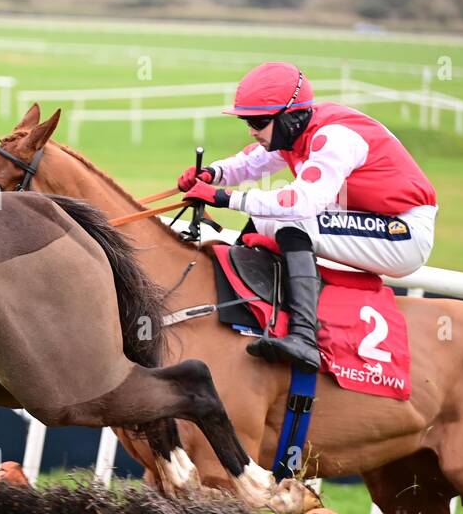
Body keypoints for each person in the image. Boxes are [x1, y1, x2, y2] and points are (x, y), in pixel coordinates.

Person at [177, 61, 438, 373]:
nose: (251, 130)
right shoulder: (296, 128)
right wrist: (211, 174)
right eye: (247, 121)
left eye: (258, 122)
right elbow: (251, 163)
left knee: (293, 220)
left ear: (289, 116)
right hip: (370, 215)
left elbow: (302, 202)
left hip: (403, 231)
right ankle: (250, 304)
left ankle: (304, 337)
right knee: (265, 219)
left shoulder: (334, 138)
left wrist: (224, 198)